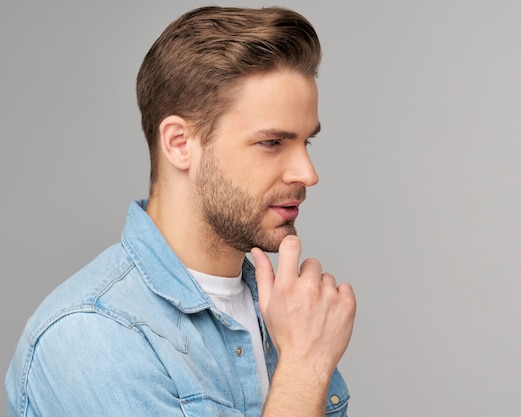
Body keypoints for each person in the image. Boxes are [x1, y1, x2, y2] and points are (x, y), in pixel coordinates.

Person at [5, 6, 356, 417]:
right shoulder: (92, 333)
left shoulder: (287, 315)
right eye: (273, 143)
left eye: (306, 143)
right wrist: (303, 370)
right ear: (179, 143)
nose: (308, 173)